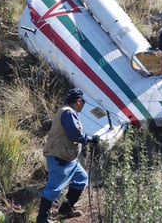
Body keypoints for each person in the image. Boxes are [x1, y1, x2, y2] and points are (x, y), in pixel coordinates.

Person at [36, 88, 100, 223]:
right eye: (83, 101)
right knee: (54, 188)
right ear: (78, 101)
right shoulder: (68, 113)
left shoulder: (66, 111)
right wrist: (89, 139)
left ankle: (66, 209)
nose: (83, 104)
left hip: (68, 158)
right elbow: (74, 134)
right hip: (60, 157)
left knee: (81, 179)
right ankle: (42, 218)